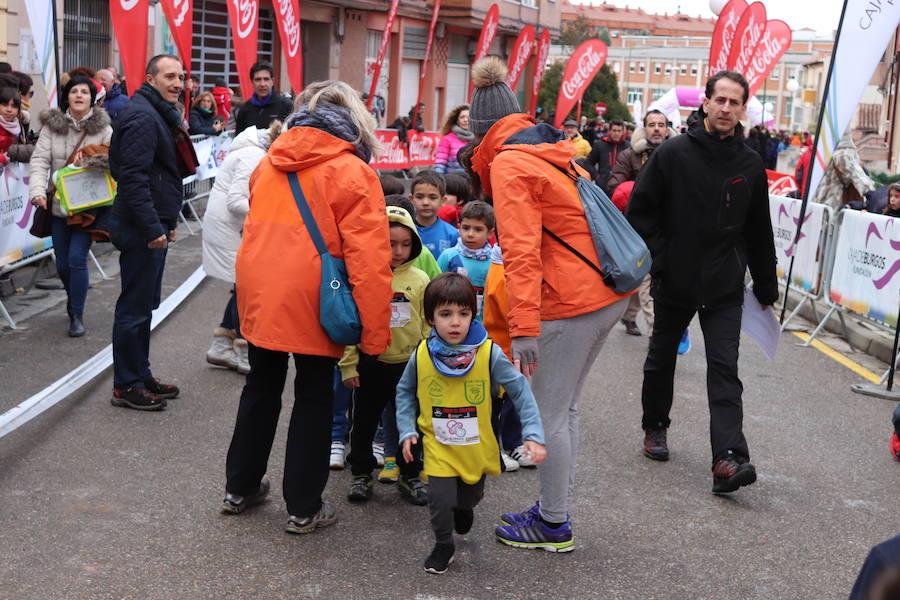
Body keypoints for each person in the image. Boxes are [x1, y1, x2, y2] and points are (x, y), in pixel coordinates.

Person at [466, 57, 632, 551]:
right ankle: (552, 510)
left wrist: (523, 328)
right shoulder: (547, 150)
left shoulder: (511, 164)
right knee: (566, 408)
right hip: (604, 293)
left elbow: (520, 252)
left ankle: (554, 523)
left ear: (478, 129)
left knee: (549, 414)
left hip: (570, 301)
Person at [220, 79, 393, 534]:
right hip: (317, 294)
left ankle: (240, 486)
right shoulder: (353, 173)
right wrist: (375, 335)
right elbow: (370, 263)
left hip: (260, 287)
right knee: (314, 396)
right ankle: (303, 504)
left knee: (261, 385)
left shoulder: (269, 162)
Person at [627, 70, 778, 493]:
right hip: (675, 279)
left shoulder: (750, 164)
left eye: (735, 102)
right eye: (721, 100)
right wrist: (661, 261)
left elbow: (759, 230)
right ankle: (655, 425)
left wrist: (766, 286)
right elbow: (641, 213)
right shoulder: (674, 153)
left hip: (724, 286)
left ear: (743, 108)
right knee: (661, 361)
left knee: (725, 371)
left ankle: (728, 460)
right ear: (706, 103)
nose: (727, 108)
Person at [395, 273, 546, 574]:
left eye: (463, 314)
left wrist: (533, 433)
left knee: (469, 496)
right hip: (438, 445)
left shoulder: (489, 354)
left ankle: (464, 508)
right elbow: (405, 392)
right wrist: (407, 430)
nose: (455, 322)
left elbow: (520, 392)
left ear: (472, 314)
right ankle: (443, 544)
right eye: (445, 314)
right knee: (439, 499)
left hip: (476, 448)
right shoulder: (422, 353)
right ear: (430, 318)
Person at [108, 55, 196, 410]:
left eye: (181, 77)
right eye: (170, 76)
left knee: (144, 306)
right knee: (133, 308)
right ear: (149, 78)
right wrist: (151, 228)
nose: (178, 83)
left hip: (154, 223)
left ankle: (140, 374)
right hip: (140, 227)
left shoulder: (156, 110)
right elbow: (133, 178)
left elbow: (161, 175)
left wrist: (168, 223)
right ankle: (126, 385)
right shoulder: (144, 115)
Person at [339, 205, 430, 505]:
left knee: (411, 423)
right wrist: (349, 365)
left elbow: (428, 323)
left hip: (408, 365)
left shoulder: (419, 280)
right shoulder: (364, 276)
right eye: (391, 243)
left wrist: (428, 361)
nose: (399, 251)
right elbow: (354, 324)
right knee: (364, 422)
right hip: (370, 362)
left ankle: (410, 474)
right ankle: (361, 474)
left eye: (405, 244)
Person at [28, 76, 113, 337]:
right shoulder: (51, 127)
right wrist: (37, 191)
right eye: (73, 91)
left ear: (92, 98)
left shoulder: (104, 129)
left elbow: (115, 160)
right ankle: (72, 295)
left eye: (84, 92)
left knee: (77, 259)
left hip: (88, 206)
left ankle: (77, 313)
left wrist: (90, 160)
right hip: (57, 206)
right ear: (67, 97)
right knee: (63, 263)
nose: (78, 95)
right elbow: (40, 161)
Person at [202, 120, 281, 374]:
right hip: (231, 229)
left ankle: (221, 346)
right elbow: (237, 201)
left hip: (234, 229)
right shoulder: (253, 156)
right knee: (246, 289)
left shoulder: (256, 152)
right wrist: (272, 216)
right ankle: (245, 349)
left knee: (241, 288)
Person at [608, 109, 675, 336]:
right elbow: (614, 185)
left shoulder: (680, 154)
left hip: (671, 228)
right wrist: (640, 192)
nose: (656, 128)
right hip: (639, 230)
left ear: (667, 129)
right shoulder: (630, 155)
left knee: (645, 278)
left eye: (661, 124)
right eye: (652, 124)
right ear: (644, 128)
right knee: (648, 278)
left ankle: (629, 315)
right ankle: (659, 332)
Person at [437, 201, 493, 321]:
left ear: (490, 233)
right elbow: (435, 290)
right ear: (459, 227)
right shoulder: (448, 256)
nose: (470, 234)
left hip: (485, 325)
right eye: (466, 228)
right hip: (452, 323)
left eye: (478, 230)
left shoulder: (494, 261)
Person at [812, 134, 874, 211]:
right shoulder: (843, 154)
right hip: (835, 202)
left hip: (821, 200)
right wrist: (874, 196)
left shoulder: (824, 152)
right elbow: (858, 178)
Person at [409, 170, 459, 258]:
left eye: (432, 198)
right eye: (419, 197)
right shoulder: (405, 231)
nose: (425, 202)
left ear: (443, 201)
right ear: (411, 199)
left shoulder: (452, 234)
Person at [234, 62, 293, 134]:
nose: (262, 84)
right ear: (252, 82)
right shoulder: (245, 109)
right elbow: (238, 138)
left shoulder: (286, 106)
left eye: (266, 79)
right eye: (258, 79)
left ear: (272, 81)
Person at [587, 118, 629, 193]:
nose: (616, 133)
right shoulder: (599, 144)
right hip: (602, 187)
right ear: (609, 131)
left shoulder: (628, 146)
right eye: (614, 130)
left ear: (623, 132)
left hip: (622, 188)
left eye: (619, 131)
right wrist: (597, 177)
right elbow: (589, 163)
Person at [434, 104, 473, 175]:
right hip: (453, 181)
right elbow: (440, 164)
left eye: (468, 117)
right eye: (462, 117)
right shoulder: (447, 139)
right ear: (457, 121)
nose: (465, 120)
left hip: (471, 182)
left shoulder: (477, 139)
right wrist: (438, 182)